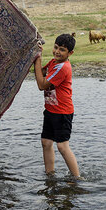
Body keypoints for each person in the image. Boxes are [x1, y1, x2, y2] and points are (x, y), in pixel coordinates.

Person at [33, 33, 81, 178]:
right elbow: (40, 72)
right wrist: (36, 56)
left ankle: (77, 178)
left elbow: (42, 85)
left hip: (62, 112)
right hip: (50, 110)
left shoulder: (63, 68)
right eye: (55, 48)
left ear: (70, 53)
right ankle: (50, 175)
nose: (57, 52)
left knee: (62, 146)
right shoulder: (54, 63)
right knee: (46, 142)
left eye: (62, 50)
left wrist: (38, 59)